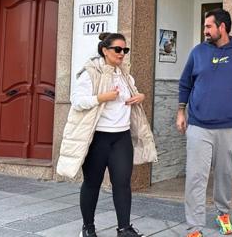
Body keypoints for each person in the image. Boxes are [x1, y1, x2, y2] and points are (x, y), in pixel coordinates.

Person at [57, 32, 157, 237]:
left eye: (125, 50)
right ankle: (88, 227)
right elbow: (77, 101)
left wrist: (140, 96)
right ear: (105, 50)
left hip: (121, 137)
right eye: (117, 49)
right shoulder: (90, 72)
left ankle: (124, 228)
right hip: (98, 138)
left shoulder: (125, 75)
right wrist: (102, 97)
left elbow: (133, 94)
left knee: (122, 184)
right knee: (92, 183)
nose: (122, 54)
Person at [177, 8, 232, 236]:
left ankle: (223, 213)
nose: (205, 31)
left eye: (208, 26)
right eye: (205, 27)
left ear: (222, 27)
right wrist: (181, 112)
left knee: (224, 174)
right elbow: (185, 84)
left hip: (230, 127)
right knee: (195, 176)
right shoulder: (198, 52)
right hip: (199, 125)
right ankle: (194, 226)